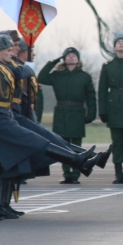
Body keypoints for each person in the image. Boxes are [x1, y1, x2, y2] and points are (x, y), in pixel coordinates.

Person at [0, 35, 107, 221]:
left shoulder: (3, 68)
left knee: (17, 157)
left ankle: (80, 159)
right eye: (9, 51)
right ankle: (77, 160)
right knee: (33, 143)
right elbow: (20, 74)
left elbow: (21, 73)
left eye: (15, 50)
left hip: (6, 116)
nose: (13, 53)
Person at [38, 46, 97, 184]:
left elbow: (91, 97)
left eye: (73, 55)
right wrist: (54, 62)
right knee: (62, 144)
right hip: (61, 112)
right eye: (68, 55)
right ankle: (67, 173)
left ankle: (76, 173)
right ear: (64, 59)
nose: (71, 57)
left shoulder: (84, 77)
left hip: (77, 112)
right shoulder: (57, 75)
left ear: (78, 59)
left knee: (76, 144)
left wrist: (91, 114)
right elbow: (41, 77)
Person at [98, 34, 123, 184]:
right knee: (116, 142)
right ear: (114, 47)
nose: (121, 44)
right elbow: (102, 90)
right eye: (118, 42)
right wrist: (103, 110)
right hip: (114, 106)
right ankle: (118, 173)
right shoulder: (108, 66)